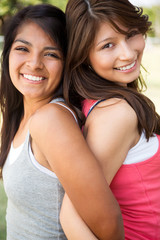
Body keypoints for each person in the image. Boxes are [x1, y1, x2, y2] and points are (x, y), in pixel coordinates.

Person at [0, 4, 124, 240]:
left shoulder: (51, 120)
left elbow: (109, 225)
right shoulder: (23, 111)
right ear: (8, 54)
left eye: (51, 54)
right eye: (23, 48)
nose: (34, 63)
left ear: (67, 63)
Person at [60, 0, 160, 239]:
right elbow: (70, 214)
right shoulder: (116, 114)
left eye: (131, 34)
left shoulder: (104, 101)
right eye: (107, 45)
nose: (127, 53)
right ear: (83, 55)